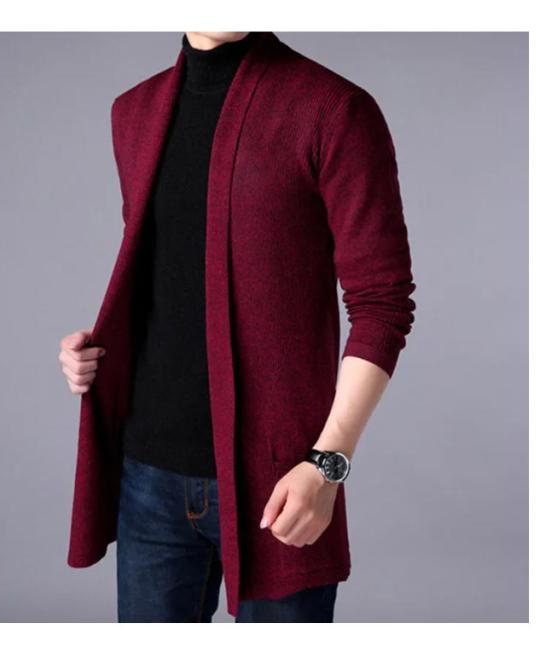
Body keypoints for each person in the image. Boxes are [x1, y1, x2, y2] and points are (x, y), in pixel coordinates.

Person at [58, 31, 417, 623]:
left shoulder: (333, 110)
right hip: (147, 474)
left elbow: (383, 302)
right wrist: (96, 352)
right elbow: (170, 277)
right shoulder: (133, 112)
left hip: (281, 481)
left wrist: (328, 463)